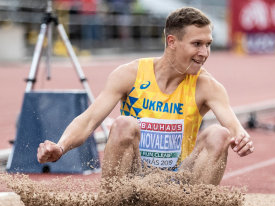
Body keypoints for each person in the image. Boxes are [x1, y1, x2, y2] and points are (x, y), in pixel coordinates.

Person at [37, 7, 254, 185]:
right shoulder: (130, 74)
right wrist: (61, 146)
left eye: (208, 45)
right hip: (134, 179)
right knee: (123, 124)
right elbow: (89, 120)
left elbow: (234, 128)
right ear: (172, 42)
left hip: (179, 181)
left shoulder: (207, 86)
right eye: (197, 44)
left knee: (219, 133)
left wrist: (242, 138)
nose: (204, 53)